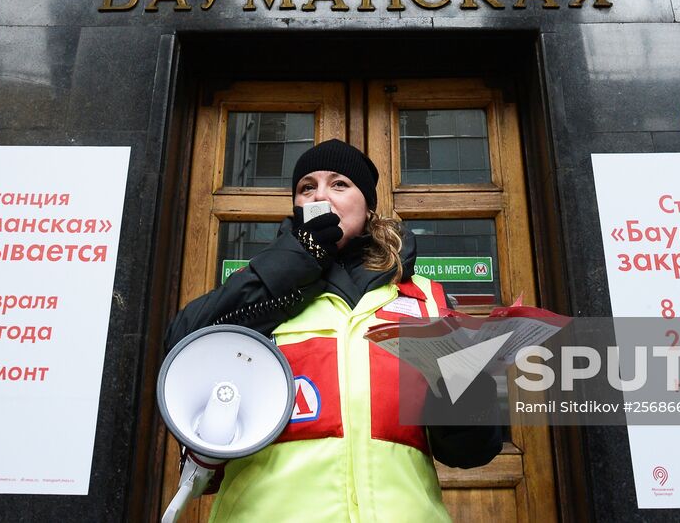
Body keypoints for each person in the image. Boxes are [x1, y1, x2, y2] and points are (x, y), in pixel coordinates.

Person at [165, 138, 502, 522]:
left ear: (369, 206)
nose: (320, 197)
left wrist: (469, 392)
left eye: (339, 184)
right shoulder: (259, 285)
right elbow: (182, 346)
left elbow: (470, 451)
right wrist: (294, 260)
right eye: (307, 187)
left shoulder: (427, 299)